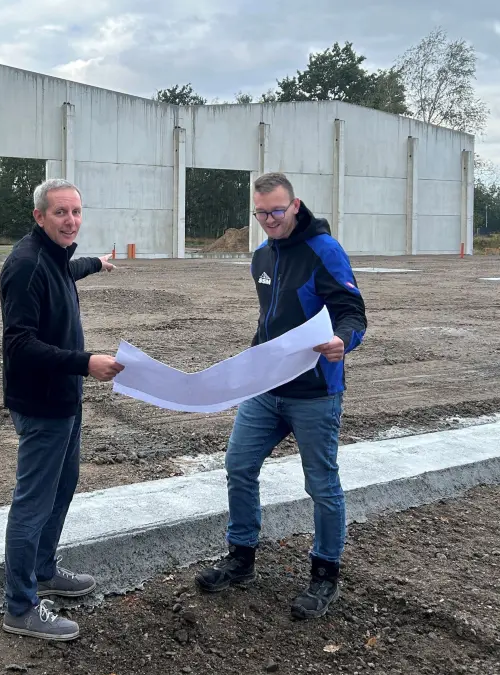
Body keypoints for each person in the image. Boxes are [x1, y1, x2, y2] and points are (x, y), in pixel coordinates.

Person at [195, 171, 367, 620]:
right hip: (265, 388)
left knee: (321, 485)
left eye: (276, 211)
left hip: (315, 393)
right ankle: (241, 558)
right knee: (239, 466)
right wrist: (249, 364)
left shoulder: (324, 251)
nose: (269, 220)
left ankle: (325, 575)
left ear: (295, 205)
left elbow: (353, 313)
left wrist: (343, 341)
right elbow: (270, 321)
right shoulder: (261, 257)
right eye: (261, 213)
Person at [0, 177, 124, 641]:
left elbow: (68, 270)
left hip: (65, 399)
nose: (71, 221)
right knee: (33, 503)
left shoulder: (54, 257)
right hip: (42, 403)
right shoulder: (26, 265)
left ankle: (44, 569)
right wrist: (85, 363)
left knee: (62, 487)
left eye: (76, 212)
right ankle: (20, 607)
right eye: (60, 213)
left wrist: (97, 263)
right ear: (39, 216)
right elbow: (19, 345)